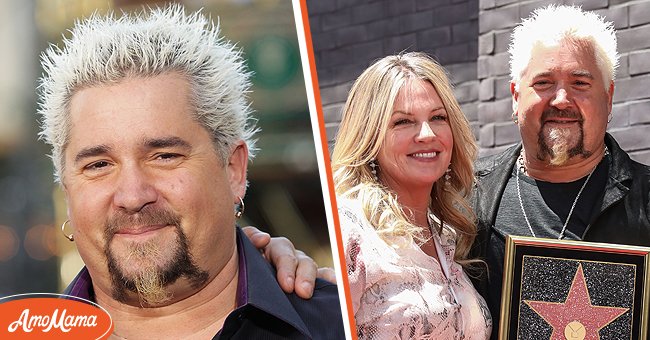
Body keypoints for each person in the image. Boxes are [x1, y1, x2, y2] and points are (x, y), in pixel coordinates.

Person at [40, 5, 344, 339]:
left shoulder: (350, 322)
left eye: (164, 156)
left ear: (233, 170)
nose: (132, 196)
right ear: (68, 190)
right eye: (98, 165)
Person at [468, 5, 650, 338]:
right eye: (544, 82)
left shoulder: (646, 199)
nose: (562, 99)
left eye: (580, 83)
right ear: (515, 96)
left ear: (608, 98)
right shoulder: (465, 196)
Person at [331, 52, 491, 339]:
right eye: (403, 122)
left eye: (438, 117)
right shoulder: (350, 231)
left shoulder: (448, 235)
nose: (427, 134)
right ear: (370, 137)